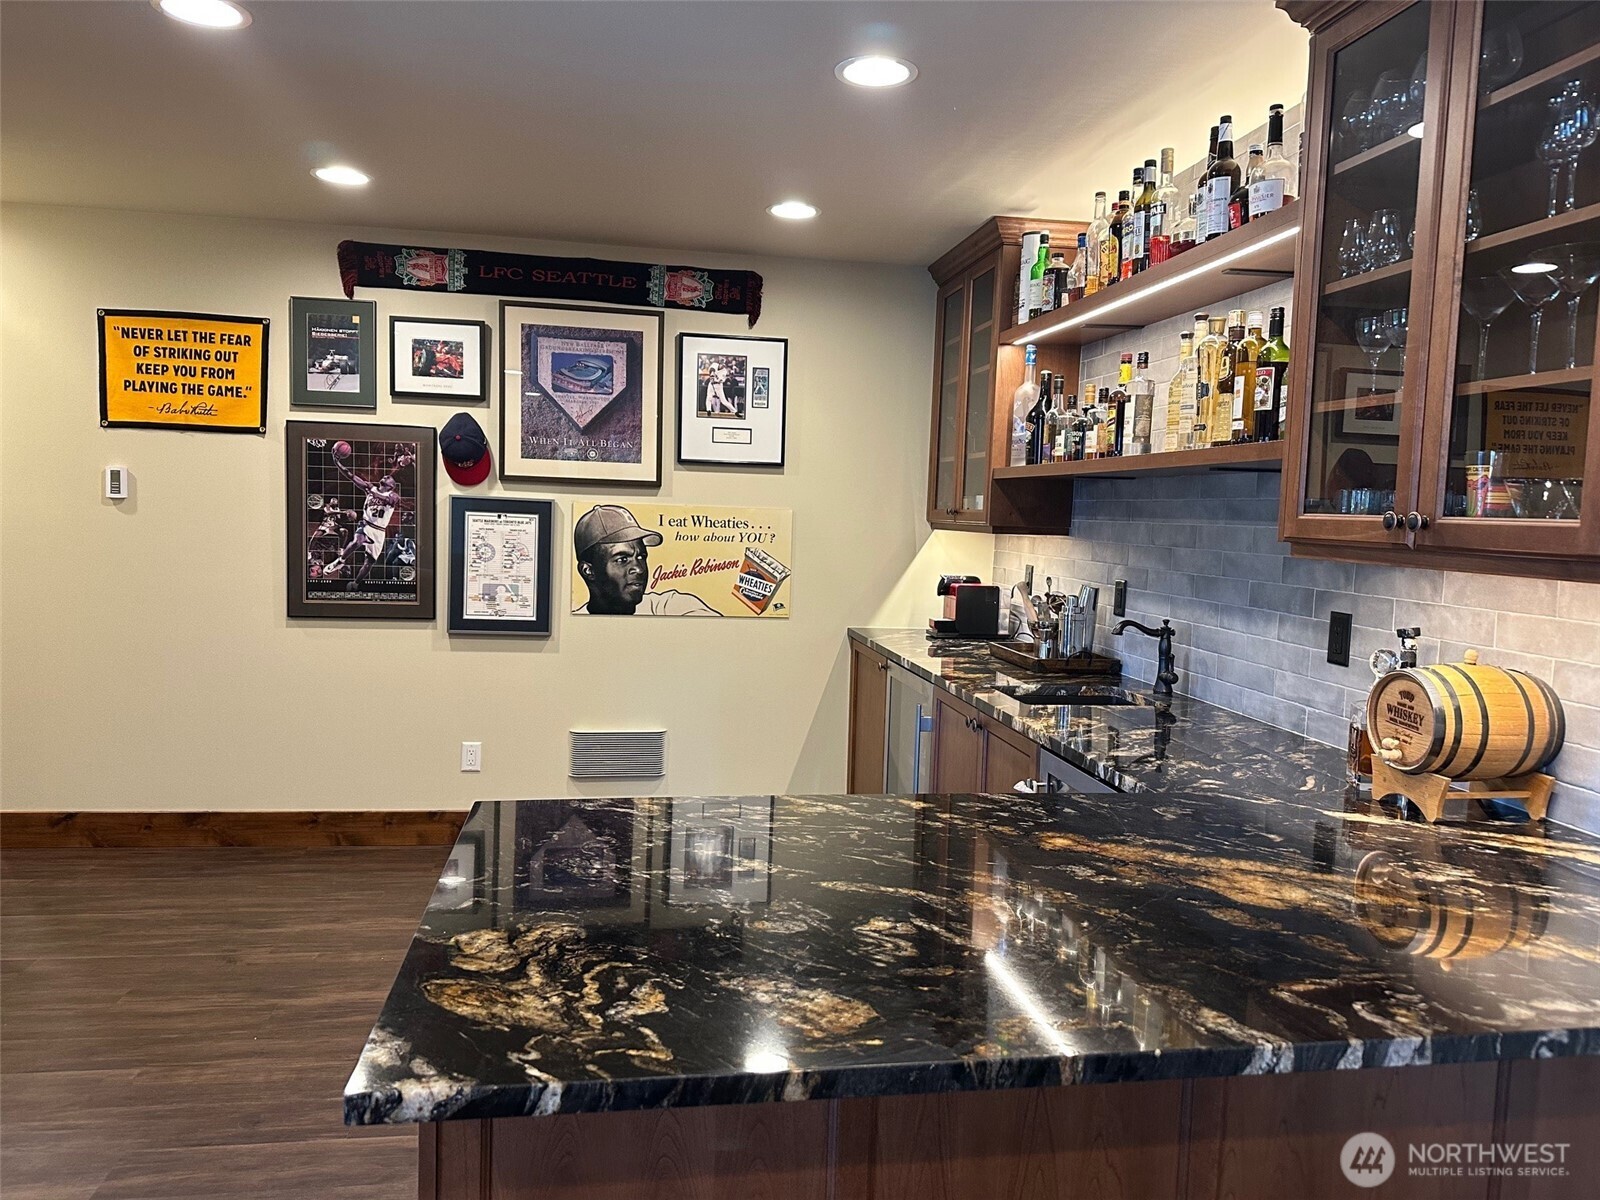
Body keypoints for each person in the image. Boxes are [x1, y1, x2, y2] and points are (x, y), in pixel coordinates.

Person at [571, 504, 718, 615]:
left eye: (641, 557)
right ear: (588, 570)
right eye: (622, 559)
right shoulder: (573, 624)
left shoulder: (665, 606)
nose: (639, 569)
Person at [322, 448, 416, 585]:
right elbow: (351, 476)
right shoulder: (370, 488)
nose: (385, 477)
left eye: (388, 478)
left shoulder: (394, 496)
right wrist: (337, 463)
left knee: (369, 562)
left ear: (392, 486)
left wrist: (372, 493)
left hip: (379, 530)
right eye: (385, 476)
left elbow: (389, 501)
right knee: (358, 540)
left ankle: (356, 583)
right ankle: (340, 561)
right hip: (366, 524)